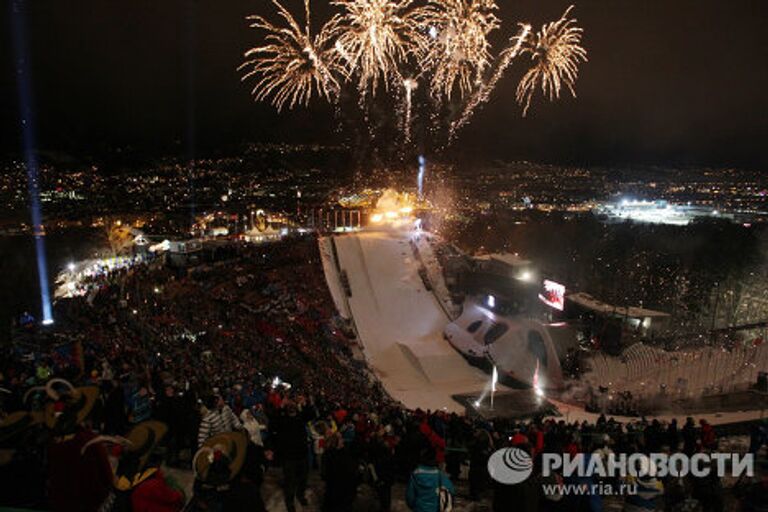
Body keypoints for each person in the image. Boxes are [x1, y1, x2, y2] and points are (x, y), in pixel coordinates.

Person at [272, 401, 310, 512]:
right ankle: (290, 502)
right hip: (288, 457)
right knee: (290, 481)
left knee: (303, 479)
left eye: (294, 406)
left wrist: (306, 404)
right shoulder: (283, 420)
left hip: (302, 455)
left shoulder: (300, 418)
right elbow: (274, 422)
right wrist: (280, 408)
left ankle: (301, 496)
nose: (292, 408)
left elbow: (310, 414)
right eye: (290, 406)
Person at [406, 446, 454, 512]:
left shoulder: (415, 474)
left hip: (419, 508)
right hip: (435, 508)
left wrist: (414, 506)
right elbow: (451, 491)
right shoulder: (440, 475)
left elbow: (410, 496)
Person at [321, 432, 359, 512]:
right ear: (336, 442)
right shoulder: (333, 455)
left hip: (338, 489)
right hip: (339, 490)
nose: (343, 440)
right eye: (341, 439)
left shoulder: (339, 452)